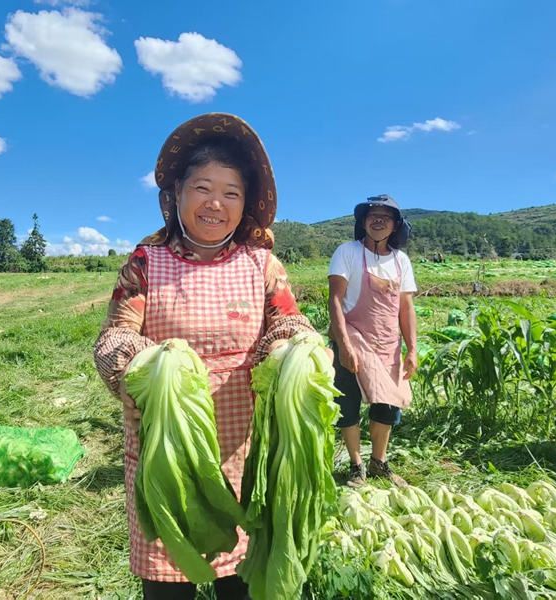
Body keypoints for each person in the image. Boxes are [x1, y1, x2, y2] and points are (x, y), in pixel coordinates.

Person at [93, 113, 321, 600]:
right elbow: (116, 334)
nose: (216, 203)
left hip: (243, 455)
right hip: (167, 453)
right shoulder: (144, 263)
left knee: (239, 585)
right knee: (168, 584)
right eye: (202, 187)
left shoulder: (262, 264)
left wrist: (289, 349)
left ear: (246, 206)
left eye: (232, 192)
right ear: (176, 196)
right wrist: (131, 370)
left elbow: (286, 320)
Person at [327, 195, 418, 488]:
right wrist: (343, 343)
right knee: (348, 401)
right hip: (353, 336)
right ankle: (356, 464)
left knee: (388, 403)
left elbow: (406, 308)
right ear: (363, 222)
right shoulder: (347, 252)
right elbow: (335, 300)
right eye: (372, 215)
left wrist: (412, 349)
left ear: (395, 226)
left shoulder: (401, 261)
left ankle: (379, 461)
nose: (378, 220)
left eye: (385, 216)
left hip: (388, 342)